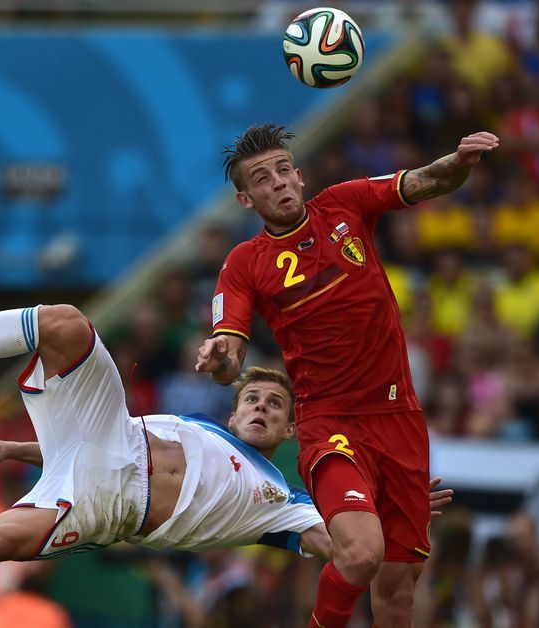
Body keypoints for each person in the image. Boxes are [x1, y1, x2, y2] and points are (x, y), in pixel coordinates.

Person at [0, 304, 452, 600]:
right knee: (67, 324)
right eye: (252, 398)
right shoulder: (193, 423)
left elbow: (348, 552)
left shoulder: (286, 505)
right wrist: (14, 448)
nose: (259, 407)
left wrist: (393, 513)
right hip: (106, 434)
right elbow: (76, 446)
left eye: (274, 406)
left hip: (110, 507)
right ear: (234, 408)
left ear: (289, 430)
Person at [195, 124, 498, 626]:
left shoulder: (345, 204)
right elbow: (230, 356)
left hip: (400, 419)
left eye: (283, 170)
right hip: (330, 421)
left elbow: (427, 180)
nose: (278, 181)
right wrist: (219, 358)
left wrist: (459, 162)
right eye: (262, 178)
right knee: (359, 554)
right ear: (246, 199)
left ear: (300, 175)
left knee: (398, 595)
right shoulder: (244, 263)